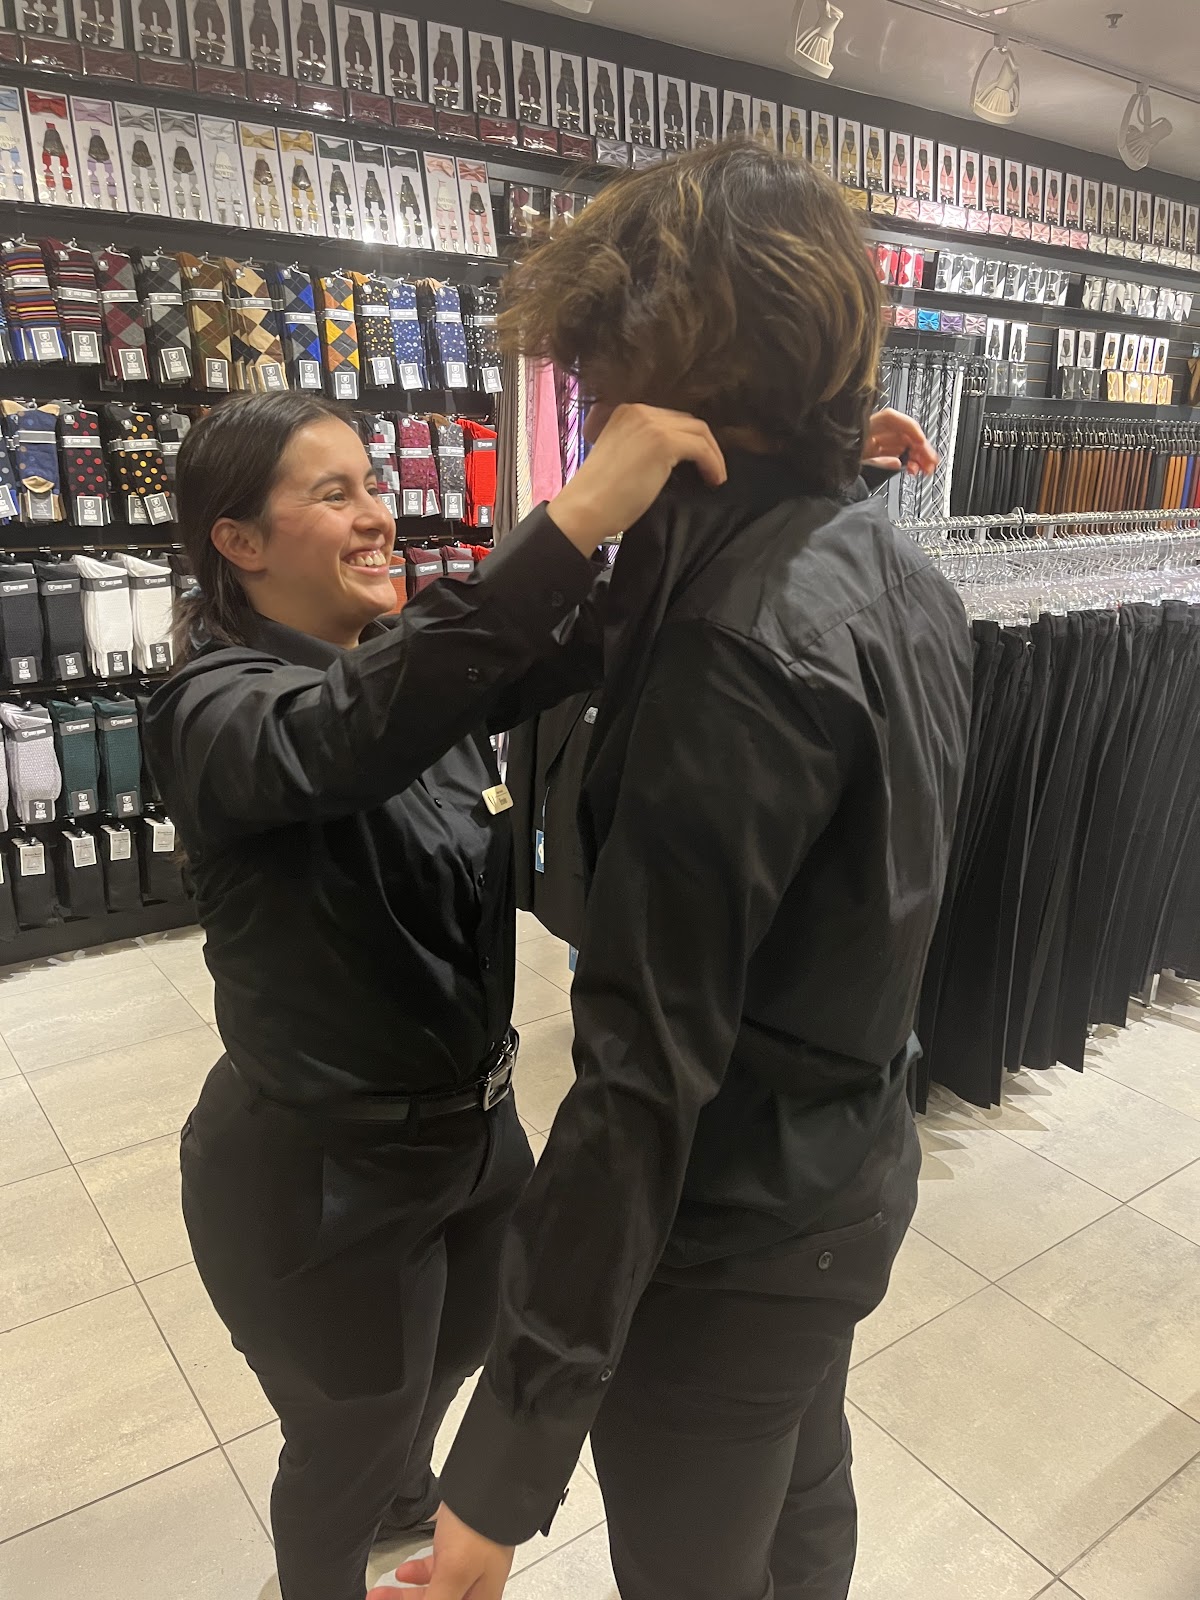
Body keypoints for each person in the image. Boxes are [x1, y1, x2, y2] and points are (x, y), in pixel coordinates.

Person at [390, 143, 974, 1600]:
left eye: (596, 379)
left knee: (711, 1556)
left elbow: (642, 1075)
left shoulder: (733, 651)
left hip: (727, 1243)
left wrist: (498, 1478)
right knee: (803, 1505)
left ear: (664, 377)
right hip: (844, 1178)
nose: (588, 410)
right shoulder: (895, 571)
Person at [143, 388, 731, 1600]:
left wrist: (778, 481)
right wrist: (570, 516)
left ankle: (402, 1493)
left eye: (374, 483)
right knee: (349, 1434)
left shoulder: (407, 667)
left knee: (454, 1357)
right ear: (238, 541)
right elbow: (347, 737)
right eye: (334, 493)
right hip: (321, 1179)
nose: (379, 514)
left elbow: (592, 634)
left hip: (473, 1135)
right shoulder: (213, 710)